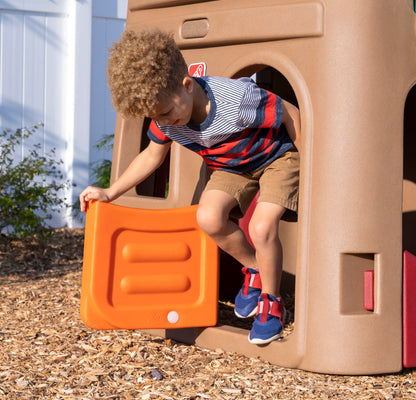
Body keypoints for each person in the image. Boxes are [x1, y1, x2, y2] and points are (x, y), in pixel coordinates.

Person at [79, 28, 301, 345]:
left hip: (277, 157)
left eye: (167, 112)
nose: (165, 122)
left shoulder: (235, 101)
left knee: (262, 226)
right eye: (157, 118)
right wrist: (110, 192)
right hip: (235, 166)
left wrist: (315, 162)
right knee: (208, 218)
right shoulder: (166, 118)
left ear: (186, 86)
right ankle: (256, 269)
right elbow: (151, 156)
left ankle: (271, 302)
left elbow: (290, 114)